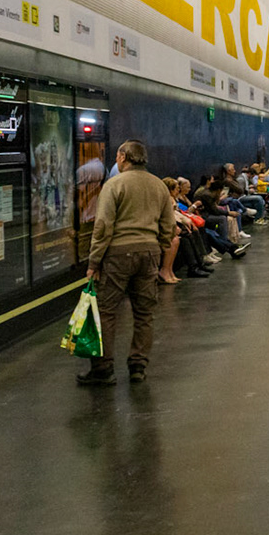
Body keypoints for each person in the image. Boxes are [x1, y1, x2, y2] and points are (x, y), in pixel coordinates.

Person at [80, 140, 175, 387]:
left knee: (107, 312)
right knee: (144, 313)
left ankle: (103, 369)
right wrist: (159, 245)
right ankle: (138, 366)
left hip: (117, 255)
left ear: (123, 157)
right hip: (149, 253)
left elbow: (103, 227)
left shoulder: (114, 185)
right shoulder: (159, 185)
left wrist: (94, 262)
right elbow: (169, 224)